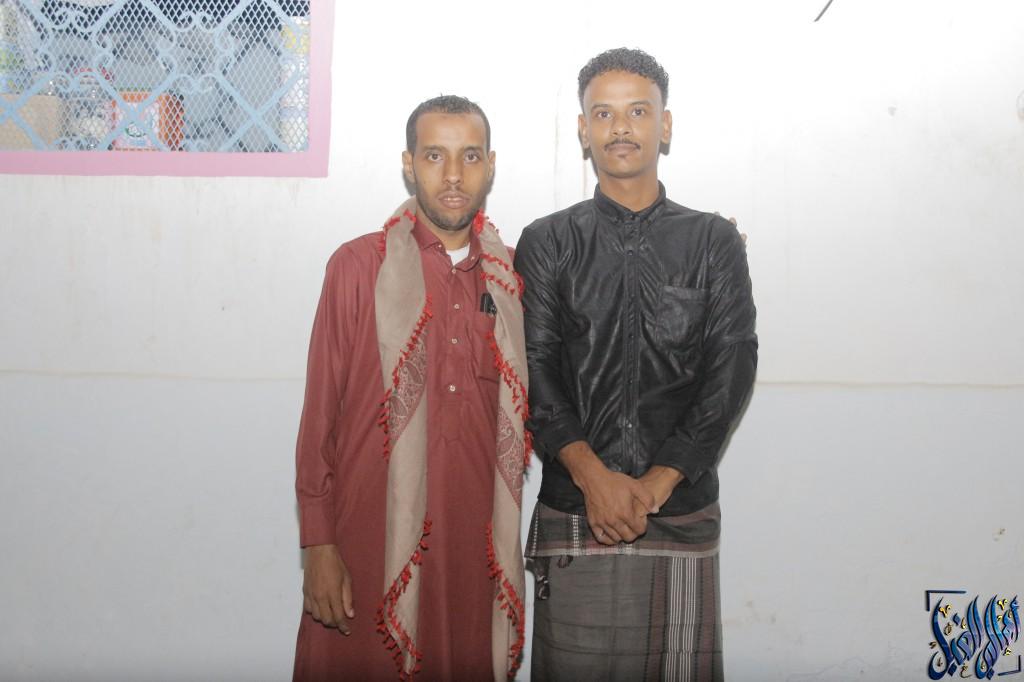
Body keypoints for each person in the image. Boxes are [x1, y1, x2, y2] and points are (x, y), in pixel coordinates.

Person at [515, 48, 758, 681]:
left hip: (678, 507)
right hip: (576, 505)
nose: (620, 127)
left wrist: (658, 482)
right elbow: (535, 367)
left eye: (638, 111)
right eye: (603, 113)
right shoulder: (548, 241)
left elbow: (731, 368)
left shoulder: (712, 241)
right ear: (583, 130)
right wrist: (593, 477)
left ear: (664, 125)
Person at [292, 95, 530, 682]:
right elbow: (319, 417)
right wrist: (318, 545)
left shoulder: (514, 279)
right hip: (367, 541)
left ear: (491, 165)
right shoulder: (358, 267)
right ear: (409, 163)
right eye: (434, 155)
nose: (453, 175)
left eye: (469, 156)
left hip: (472, 551)